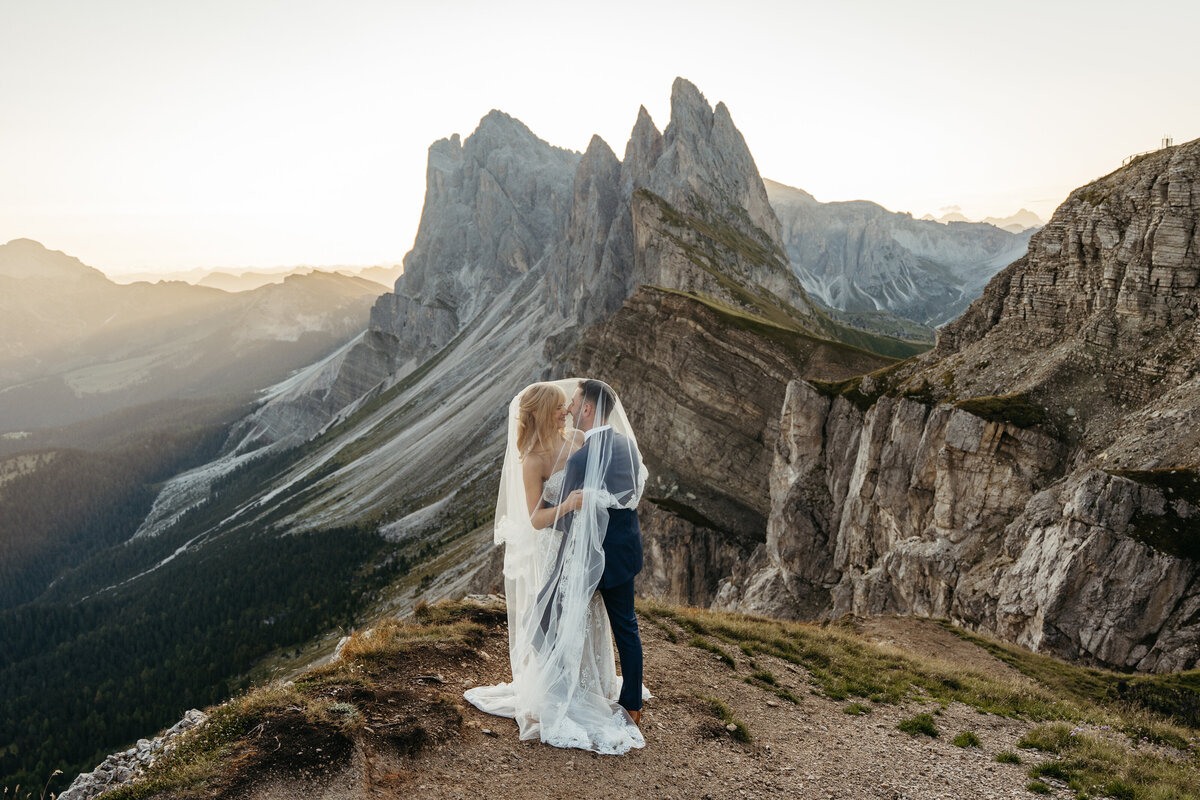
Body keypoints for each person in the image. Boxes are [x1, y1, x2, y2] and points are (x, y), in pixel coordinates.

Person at [464, 378, 649, 754]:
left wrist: (578, 507)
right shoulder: (622, 446)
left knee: (555, 619)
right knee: (619, 624)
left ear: (586, 408)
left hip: (579, 553)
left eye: (573, 402)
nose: (567, 409)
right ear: (547, 413)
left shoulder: (579, 451)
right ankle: (630, 704)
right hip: (620, 550)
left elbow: (574, 513)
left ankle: (560, 691)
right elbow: (628, 493)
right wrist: (577, 506)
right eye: (561, 405)